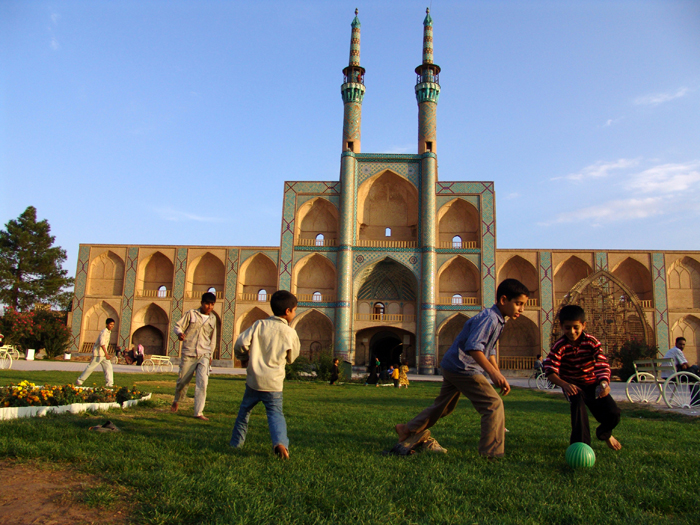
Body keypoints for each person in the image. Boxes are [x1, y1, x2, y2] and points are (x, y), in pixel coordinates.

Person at [394, 278, 529, 458]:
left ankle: (407, 428)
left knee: (444, 406)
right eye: (518, 304)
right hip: (463, 367)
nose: (522, 309)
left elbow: (489, 350)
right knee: (493, 405)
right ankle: (492, 453)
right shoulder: (490, 318)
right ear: (504, 300)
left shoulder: (497, 319)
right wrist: (492, 373)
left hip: (453, 365)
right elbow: (474, 348)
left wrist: (497, 373)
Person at [230, 290, 301, 459]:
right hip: (274, 384)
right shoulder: (290, 332)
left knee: (244, 413)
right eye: (295, 310)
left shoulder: (259, 325)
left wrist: (243, 358)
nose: (295, 313)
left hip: (254, 380)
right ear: (288, 311)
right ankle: (280, 443)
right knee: (275, 414)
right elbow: (292, 357)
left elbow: (240, 343)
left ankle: (236, 444)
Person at [543, 304, 622, 451]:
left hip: (592, 384)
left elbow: (601, 364)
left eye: (575, 327)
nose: (572, 332)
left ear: (583, 325)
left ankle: (604, 432)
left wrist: (604, 383)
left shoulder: (591, 342)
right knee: (578, 410)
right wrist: (564, 384)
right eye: (567, 328)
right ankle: (581, 447)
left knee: (613, 413)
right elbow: (550, 371)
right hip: (572, 385)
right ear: (561, 326)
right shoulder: (559, 346)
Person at [170, 292, 217, 421]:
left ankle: (198, 412)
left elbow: (213, 339)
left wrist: (211, 354)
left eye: (212, 304)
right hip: (189, 352)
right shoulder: (191, 314)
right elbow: (177, 326)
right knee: (183, 381)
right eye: (207, 303)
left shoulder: (213, 319)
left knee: (202, 383)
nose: (209, 306)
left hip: (204, 354)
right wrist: (179, 334)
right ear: (201, 303)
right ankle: (177, 400)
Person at [76, 318, 115, 387]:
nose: (112, 326)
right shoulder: (104, 332)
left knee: (109, 367)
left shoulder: (109, 332)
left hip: (103, 354)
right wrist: (106, 354)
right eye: (111, 324)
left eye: (113, 325)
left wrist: (106, 354)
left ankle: (109, 383)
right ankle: (80, 380)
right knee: (91, 367)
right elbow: (102, 343)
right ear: (107, 324)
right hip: (99, 354)